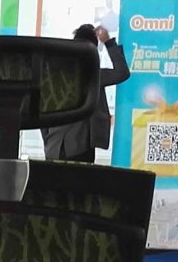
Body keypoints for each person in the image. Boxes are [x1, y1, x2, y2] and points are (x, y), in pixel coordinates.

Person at [42, 23, 129, 164]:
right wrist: (108, 42)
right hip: (79, 146)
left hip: (53, 145)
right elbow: (122, 73)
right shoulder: (92, 75)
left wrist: (47, 140)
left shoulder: (54, 76)